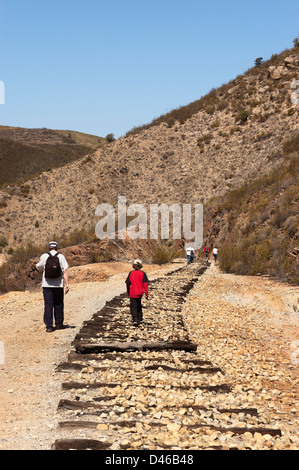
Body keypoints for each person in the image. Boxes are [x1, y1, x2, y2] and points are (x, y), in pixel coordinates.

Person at [36, 241, 69, 333]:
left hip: (47, 285)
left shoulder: (44, 256)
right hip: (58, 285)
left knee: (48, 305)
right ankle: (59, 324)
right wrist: (67, 284)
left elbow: (39, 267)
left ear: (49, 248)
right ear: (57, 248)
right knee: (59, 304)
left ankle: (49, 326)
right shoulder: (61, 257)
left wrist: (37, 267)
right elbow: (64, 271)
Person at [125, 259, 149, 327]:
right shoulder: (143, 273)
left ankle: (135, 319)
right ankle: (140, 319)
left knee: (133, 306)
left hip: (133, 292)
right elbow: (145, 284)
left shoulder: (131, 273)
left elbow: (127, 283)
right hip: (140, 293)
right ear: (140, 266)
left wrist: (128, 291)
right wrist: (146, 293)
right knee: (139, 305)